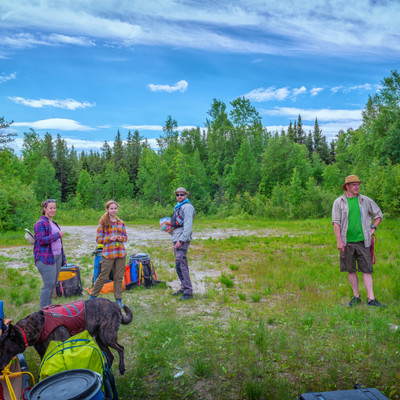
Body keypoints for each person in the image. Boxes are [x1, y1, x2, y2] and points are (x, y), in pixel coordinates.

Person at [332, 175, 385, 307]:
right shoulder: (338, 202)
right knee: (351, 270)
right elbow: (336, 223)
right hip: (346, 242)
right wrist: (339, 241)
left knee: (367, 270)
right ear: (347, 187)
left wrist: (373, 227)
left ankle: (371, 299)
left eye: (358, 184)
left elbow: (378, 215)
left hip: (363, 242)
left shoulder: (365, 200)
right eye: (354, 184)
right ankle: (356, 297)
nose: (357, 187)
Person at [90, 200, 127, 308]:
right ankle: (93, 297)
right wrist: (109, 238)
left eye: (115, 208)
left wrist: (121, 238)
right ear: (107, 209)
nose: (113, 210)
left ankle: (118, 300)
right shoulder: (103, 223)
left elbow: (125, 237)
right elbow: (98, 239)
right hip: (108, 254)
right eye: (111, 208)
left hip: (121, 254)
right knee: (103, 276)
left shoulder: (121, 223)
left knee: (119, 277)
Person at [34, 199, 66, 309]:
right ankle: (43, 310)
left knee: (53, 284)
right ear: (45, 209)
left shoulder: (53, 223)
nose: (53, 210)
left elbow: (59, 243)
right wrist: (57, 235)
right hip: (45, 258)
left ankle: (49, 307)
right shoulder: (40, 223)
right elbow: (41, 240)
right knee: (48, 284)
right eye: (50, 208)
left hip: (57, 257)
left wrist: (63, 258)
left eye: (54, 208)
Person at [166, 187, 195, 301]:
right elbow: (178, 226)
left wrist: (181, 241)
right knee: (179, 265)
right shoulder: (178, 207)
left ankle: (188, 291)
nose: (179, 197)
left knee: (181, 264)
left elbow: (187, 226)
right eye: (177, 195)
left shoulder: (187, 207)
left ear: (186, 195)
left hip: (182, 239)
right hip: (177, 237)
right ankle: (183, 288)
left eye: (182, 194)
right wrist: (170, 231)